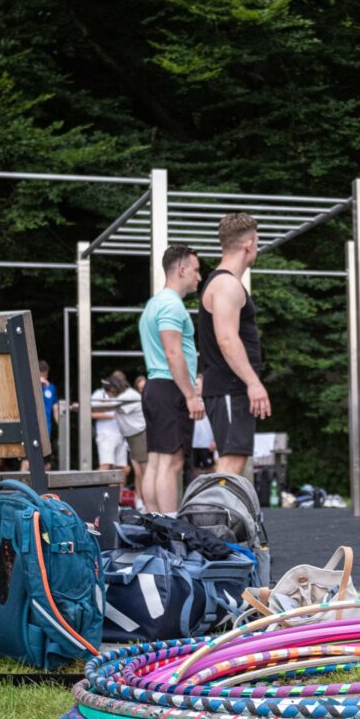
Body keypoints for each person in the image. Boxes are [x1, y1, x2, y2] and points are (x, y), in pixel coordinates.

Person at [198, 212, 271, 475]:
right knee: (231, 460)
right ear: (249, 244)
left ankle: (224, 515)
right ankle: (216, 516)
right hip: (230, 386)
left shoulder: (224, 282)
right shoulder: (227, 284)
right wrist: (253, 383)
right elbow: (226, 339)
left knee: (235, 459)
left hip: (231, 386)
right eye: (258, 243)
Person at [138, 245, 205, 514]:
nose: (199, 277)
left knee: (156, 461)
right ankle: (169, 530)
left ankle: (157, 526)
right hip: (170, 388)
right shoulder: (171, 305)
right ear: (181, 269)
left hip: (157, 387)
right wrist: (191, 395)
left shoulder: (154, 303)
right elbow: (173, 351)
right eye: (196, 270)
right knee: (171, 463)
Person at [101, 372, 148, 504]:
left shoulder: (129, 396)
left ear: (114, 389)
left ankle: (145, 502)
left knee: (145, 472)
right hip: (132, 437)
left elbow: (109, 406)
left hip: (140, 435)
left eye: (109, 392)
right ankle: (140, 501)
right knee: (138, 473)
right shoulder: (123, 396)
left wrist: (86, 407)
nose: (108, 395)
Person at [91, 381, 129, 481]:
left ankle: (117, 496)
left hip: (120, 435)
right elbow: (91, 413)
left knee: (122, 469)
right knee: (105, 466)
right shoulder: (99, 394)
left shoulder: (120, 395)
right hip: (106, 435)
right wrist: (112, 416)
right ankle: (92, 490)